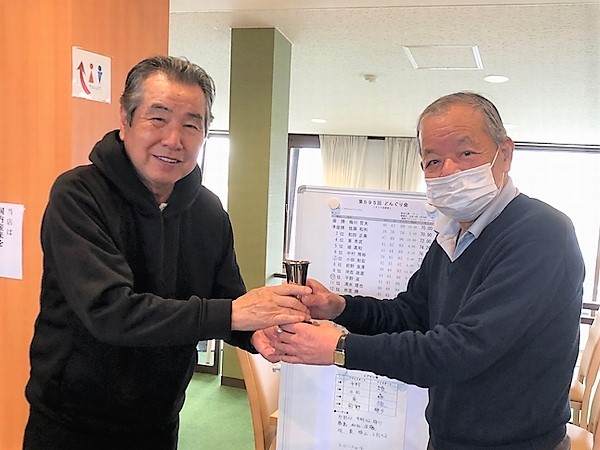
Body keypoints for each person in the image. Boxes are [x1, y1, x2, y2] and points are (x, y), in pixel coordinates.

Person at [23, 55, 311, 450]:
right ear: (125, 119)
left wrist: (258, 332)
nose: (174, 140)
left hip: (160, 420)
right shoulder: (78, 196)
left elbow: (227, 299)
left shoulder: (208, 211)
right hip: (70, 423)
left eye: (191, 125)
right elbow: (110, 312)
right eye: (158, 119)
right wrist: (234, 313)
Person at [267, 92, 584, 450]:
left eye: (466, 153)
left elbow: (463, 349)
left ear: (505, 153)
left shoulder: (541, 234)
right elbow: (410, 314)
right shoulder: (451, 235)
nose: (448, 171)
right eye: (432, 161)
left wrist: (340, 347)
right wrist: (340, 307)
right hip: (448, 438)